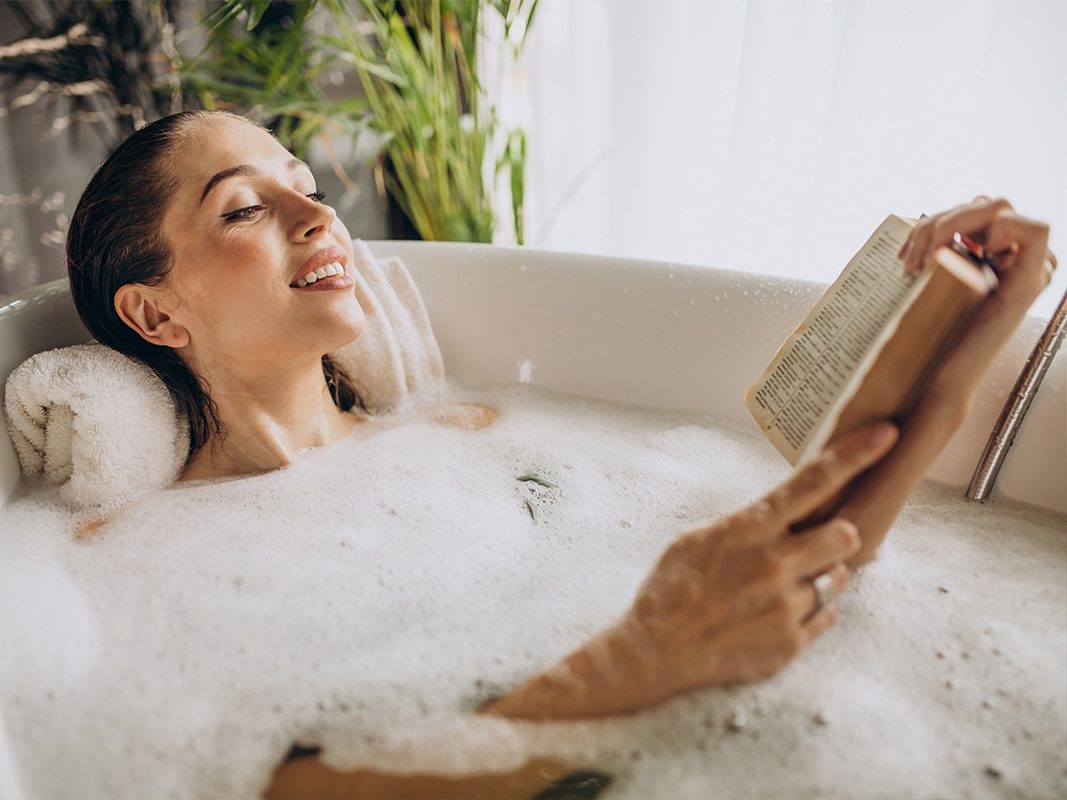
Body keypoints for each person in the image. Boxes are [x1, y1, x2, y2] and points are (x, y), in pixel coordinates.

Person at [65, 111, 1056, 798]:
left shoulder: (474, 435)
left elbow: (791, 578)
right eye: (243, 208)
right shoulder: (123, 558)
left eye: (306, 188)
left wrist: (965, 336)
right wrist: (634, 662)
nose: (318, 216)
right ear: (155, 310)